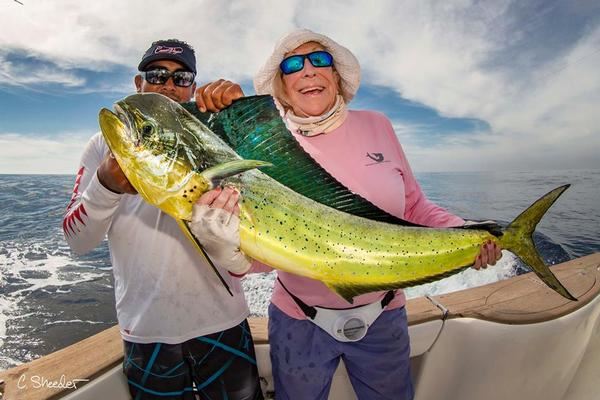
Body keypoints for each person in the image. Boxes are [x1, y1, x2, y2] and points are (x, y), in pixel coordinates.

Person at [191, 29, 502, 400]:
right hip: (299, 322)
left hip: (384, 316)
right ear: (282, 87)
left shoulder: (378, 125)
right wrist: (231, 254)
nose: (308, 70)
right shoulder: (263, 144)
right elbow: (268, 248)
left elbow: (415, 207)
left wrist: (465, 231)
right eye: (293, 65)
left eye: (319, 60)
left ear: (336, 76)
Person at [63, 39, 263, 400]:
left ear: (192, 88)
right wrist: (106, 184)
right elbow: (78, 241)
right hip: (147, 333)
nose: (169, 85)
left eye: (181, 78)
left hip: (225, 324)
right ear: (138, 83)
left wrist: (238, 110)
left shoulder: (215, 136)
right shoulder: (104, 144)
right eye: (157, 75)